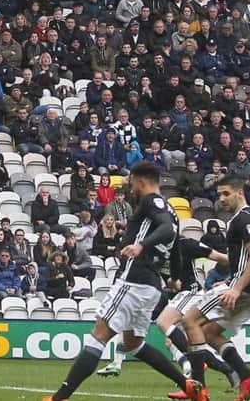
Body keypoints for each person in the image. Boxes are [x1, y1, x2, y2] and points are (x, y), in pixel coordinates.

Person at [42, 162, 205, 401]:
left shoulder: (152, 201)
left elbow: (166, 229)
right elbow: (176, 245)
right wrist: (174, 277)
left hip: (133, 280)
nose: (129, 186)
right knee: (133, 343)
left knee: (99, 335)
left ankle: (59, 398)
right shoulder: (171, 209)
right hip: (151, 285)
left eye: (131, 181)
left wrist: (141, 245)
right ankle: (189, 386)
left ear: (141, 181)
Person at [97, 237, 237, 391]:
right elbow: (169, 281)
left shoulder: (186, 244)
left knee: (164, 322)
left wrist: (237, 275)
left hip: (191, 292)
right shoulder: (153, 251)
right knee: (175, 342)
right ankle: (228, 370)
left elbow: (221, 258)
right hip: (179, 295)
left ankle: (196, 365)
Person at [178, 176, 250, 401]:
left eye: (226, 194)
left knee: (189, 321)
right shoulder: (244, 218)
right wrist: (228, 282)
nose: (221, 199)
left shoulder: (243, 219)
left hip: (243, 288)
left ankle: (197, 389)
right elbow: (243, 259)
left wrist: (234, 288)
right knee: (209, 333)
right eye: (219, 195)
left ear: (240, 192)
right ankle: (246, 376)